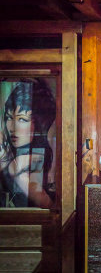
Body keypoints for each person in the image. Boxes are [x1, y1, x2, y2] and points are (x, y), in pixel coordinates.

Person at [0, 80, 56, 208]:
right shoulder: (11, 149)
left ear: (38, 123)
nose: (13, 127)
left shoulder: (38, 152)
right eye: (9, 117)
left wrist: (15, 171)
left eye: (22, 119)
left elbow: (46, 204)